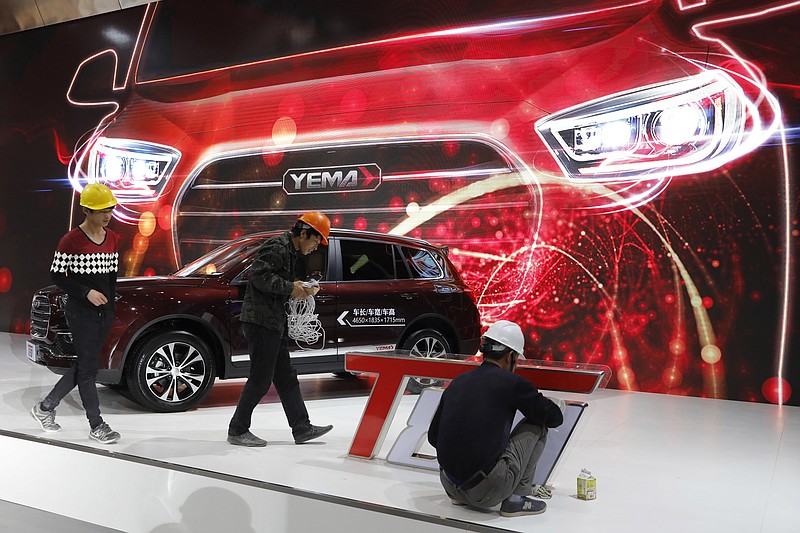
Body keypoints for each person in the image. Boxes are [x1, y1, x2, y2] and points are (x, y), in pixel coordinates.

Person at [427, 320, 566, 517]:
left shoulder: (458, 382)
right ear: (511, 356)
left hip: (449, 486)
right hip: (487, 492)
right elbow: (553, 418)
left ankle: (460, 495)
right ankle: (517, 498)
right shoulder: (513, 383)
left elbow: (433, 437)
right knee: (538, 424)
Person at [227, 212, 334, 447]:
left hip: (273, 322)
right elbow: (257, 277)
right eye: (316, 240)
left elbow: (279, 281)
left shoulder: (289, 250)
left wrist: (301, 287)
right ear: (304, 233)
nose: (316, 246)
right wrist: (291, 288)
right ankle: (237, 429)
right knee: (260, 379)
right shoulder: (277, 246)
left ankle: (302, 428)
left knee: (286, 377)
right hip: (261, 321)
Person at [31, 183, 121, 444]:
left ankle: (45, 408)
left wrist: (110, 307)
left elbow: (112, 278)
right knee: (88, 370)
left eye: (110, 209)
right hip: (80, 312)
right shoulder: (71, 240)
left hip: (104, 312)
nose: (107, 215)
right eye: (101, 210)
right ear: (86, 210)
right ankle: (97, 424)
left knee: (85, 365)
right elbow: (57, 275)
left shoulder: (113, 238)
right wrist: (85, 293)